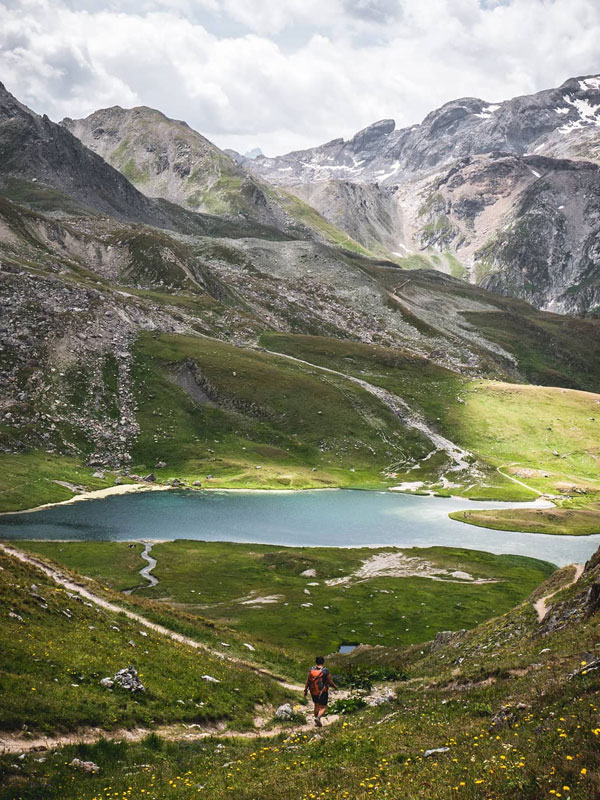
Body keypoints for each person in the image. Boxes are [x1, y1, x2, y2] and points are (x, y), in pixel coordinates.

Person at [304, 655, 337, 726]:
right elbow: (330, 681)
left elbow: (308, 681)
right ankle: (318, 718)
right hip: (323, 691)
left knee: (316, 704)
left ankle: (316, 720)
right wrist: (335, 687)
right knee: (323, 707)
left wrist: (305, 690)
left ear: (316, 662)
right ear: (323, 662)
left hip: (313, 691)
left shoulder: (311, 670)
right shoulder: (325, 670)